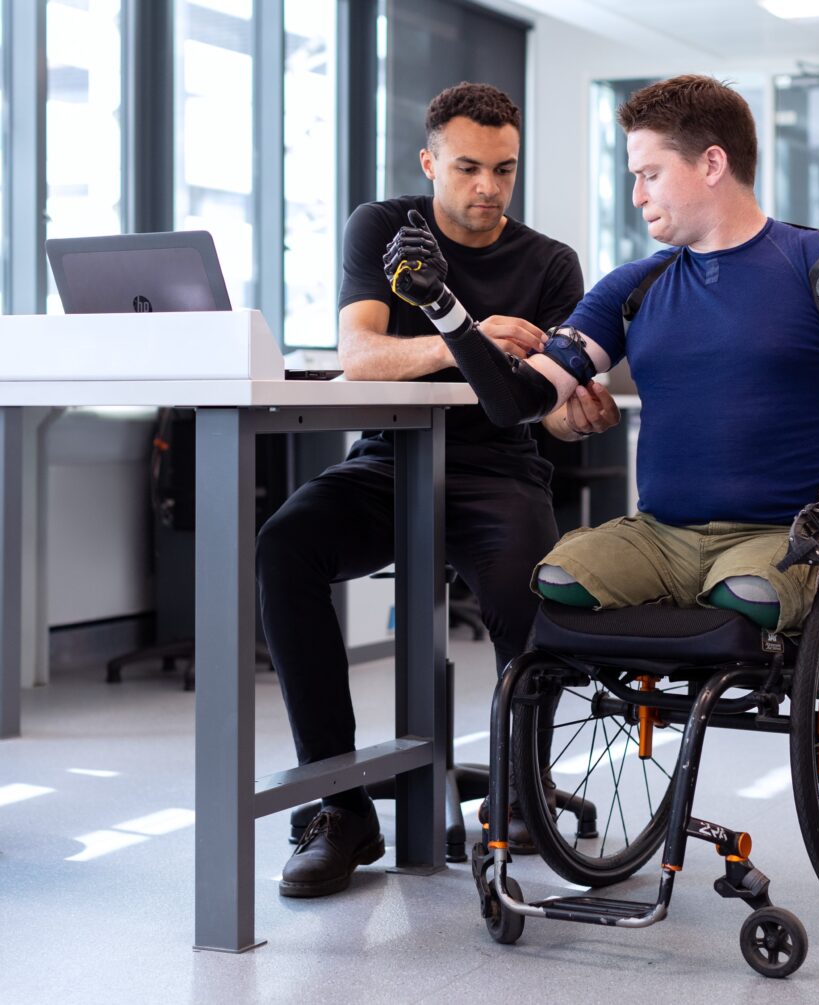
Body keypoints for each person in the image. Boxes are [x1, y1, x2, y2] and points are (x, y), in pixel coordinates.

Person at [385, 74, 819, 638]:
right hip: (658, 538)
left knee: (747, 595)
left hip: (776, 536)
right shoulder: (632, 289)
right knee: (557, 579)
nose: (637, 195)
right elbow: (518, 400)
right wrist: (444, 310)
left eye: (649, 175)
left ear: (711, 164)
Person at [256, 81, 619, 899]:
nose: (486, 187)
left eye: (503, 169)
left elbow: (552, 415)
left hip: (500, 468)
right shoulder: (385, 229)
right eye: (466, 168)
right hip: (389, 459)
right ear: (430, 162)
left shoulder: (552, 263)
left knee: (533, 591)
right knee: (286, 546)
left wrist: (577, 420)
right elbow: (361, 355)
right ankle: (341, 807)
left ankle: (522, 788)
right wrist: (466, 335)